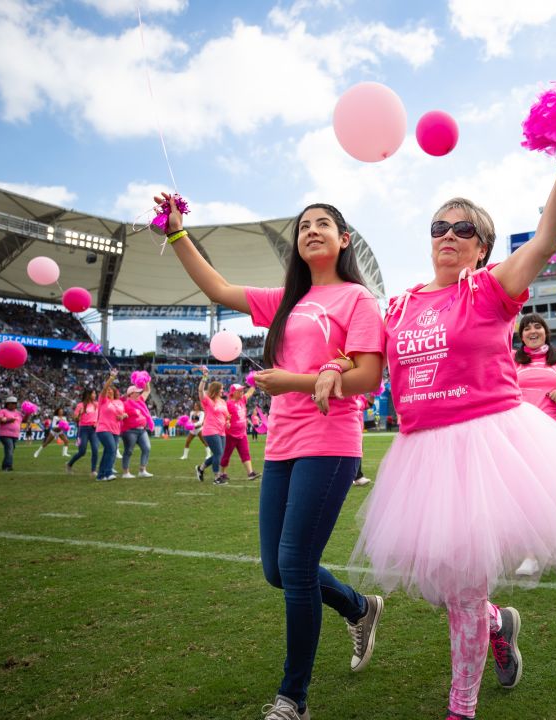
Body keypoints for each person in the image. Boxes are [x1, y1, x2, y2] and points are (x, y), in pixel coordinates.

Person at [349, 173, 556, 720]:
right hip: (421, 455)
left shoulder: (490, 288)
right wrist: (334, 368)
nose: (448, 234)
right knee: (440, 589)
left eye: (463, 228)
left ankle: (462, 707)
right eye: (439, 226)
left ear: (482, 246)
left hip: (488, 449)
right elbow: (366, 361)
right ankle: (500, 623)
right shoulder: (400, 304)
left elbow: (546, 240)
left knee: (465, 594)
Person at [164, 194, 386, 720]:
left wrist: (293, 381)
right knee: (276, 570)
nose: (311, 230)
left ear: (343, 239)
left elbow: (367, 379)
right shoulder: (285, 299)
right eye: (304, 225)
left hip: (330, 442)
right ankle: (358, 606)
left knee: (296, 566)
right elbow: (216, 287)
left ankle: (293, 700)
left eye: (323, 224)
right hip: (283, 442)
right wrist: (176, 234)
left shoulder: (358, 299)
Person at [514, 312, 556, 440]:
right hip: (522, 426)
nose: (532, 331)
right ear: (522, 337)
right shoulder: (512, 357)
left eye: (537, 326)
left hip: (555, 426)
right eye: (527, 329)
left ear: (545, 332)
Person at [220, 383, 260, 481]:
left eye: (242, 390)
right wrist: (227, 422)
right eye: (240, 391)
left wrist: (254, 383)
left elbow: (250, 393)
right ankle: (222, 473)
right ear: (233, 392)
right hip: (230, 434)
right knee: (226, 455)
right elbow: (224, 416)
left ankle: (250, 473)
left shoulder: (242, 400)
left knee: (245, 453)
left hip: (242, 434)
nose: (242, 392)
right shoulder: (228, 404)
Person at [196, 372, 229, 484]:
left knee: (218, 454)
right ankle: (217, 477)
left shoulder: (223, 401)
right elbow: (200, 390)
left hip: (222, 431)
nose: (223, 390)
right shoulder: (207, 401)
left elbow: (227, 415)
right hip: (210, 430)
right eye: (221, 389)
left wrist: (228, 421)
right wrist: (205, 376)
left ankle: (200, 468)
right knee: (219, 454)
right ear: (216, 389)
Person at [94, 371, 127, 481]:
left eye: (110, 390)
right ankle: (108, 473)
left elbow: (123, 413)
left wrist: (123, 416)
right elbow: (104, 388)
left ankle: (100, 475)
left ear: (114, 392)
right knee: (112, 449)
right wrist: (112, 377)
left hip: (116, 430)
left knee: (108, 451)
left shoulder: (119, 402)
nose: (108, 391)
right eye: (107, 390)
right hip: (103, 428)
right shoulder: (103, 400)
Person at [120, 385, 155, 478]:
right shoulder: (125, 404)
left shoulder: (140, 401)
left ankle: (142, 470)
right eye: (137, 392)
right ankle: (125, 472)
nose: (139, 393)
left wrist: (146, 380)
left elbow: (147, 390)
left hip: (142, 430)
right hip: (129, 430)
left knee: (147, 448)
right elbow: (120, 413)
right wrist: (124, 415)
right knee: (128, 451)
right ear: (130, 394)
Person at [67, 388, 99, 475]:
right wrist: (80, 414)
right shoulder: (80, 405)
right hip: (83, 430)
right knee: (82, 452)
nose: (95, 395)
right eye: (94, 393)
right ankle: (69, 464)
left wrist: (97, 422)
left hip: (94, 430)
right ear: (89, 395)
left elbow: (100, 416)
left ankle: (93, 470)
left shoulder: (96, 404)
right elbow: (75, 418)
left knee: (95, 450)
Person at [0, 396, 26, 471]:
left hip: (15, 435)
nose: (14, 405)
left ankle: (5, 465)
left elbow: (24, 421)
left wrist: (28, 413)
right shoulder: (3, 411)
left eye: (15, 403)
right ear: (7, 404)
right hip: (5, 434)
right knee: (9, 449)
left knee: (10, 450)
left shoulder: (18, 413)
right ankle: (8, 466)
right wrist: (8, 420)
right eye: (12, 403)